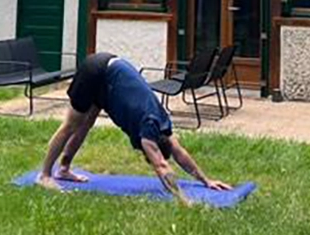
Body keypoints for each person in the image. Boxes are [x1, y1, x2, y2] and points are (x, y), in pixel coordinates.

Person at [38, 52, 231, 205]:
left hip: (110, 74)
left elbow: (179, 153)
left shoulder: (163, 124)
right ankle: (45, 175)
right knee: (72, 124)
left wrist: (206, 180)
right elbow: (161, 165)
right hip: (97, 71)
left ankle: (63, 169)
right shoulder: (148, 131)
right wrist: (183, 199)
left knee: (86, 123)